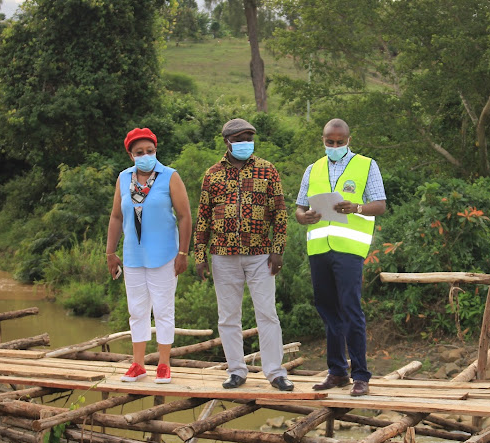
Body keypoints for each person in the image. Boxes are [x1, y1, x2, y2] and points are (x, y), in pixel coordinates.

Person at [194, 118, 294, 392]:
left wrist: (277, 250)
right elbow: (203, 216)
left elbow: (280, 213)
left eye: (249, 137)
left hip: (261, 254)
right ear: (227, 141)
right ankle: (236, 371)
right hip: (223, 255)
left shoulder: (267, 170)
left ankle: (275, 372)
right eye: (239, 138)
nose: (245, 143)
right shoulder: (212, 174)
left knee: (267, 313)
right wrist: (199, 255)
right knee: (228, 317)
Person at [295, 118, 387, 397]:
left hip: (349, 248)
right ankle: (337, 372)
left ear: (349, 140)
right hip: (319, 248)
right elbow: (299, 209)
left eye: (339, 142)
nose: (334, 146)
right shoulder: (313, 169)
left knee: (350, 309)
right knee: (327, 309)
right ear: (322, 140)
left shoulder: (367, 165)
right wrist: (305, 217)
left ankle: (361, 375)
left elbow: (380, 205)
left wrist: (356, 207)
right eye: (329, 142)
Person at [106, 127, 192, 384]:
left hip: (165, 256)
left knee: (164, 310)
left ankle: (164, 364)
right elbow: (116, 217)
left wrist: (183, 252)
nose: (145, 155)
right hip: (133, 257)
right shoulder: (124, 179)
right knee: (137, 311)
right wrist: (110, 252)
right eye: (139, 152)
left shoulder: (169, 177)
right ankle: (138, 364)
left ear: (156, 151)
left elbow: (185, 216)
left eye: (150, 151)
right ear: (131, 155)